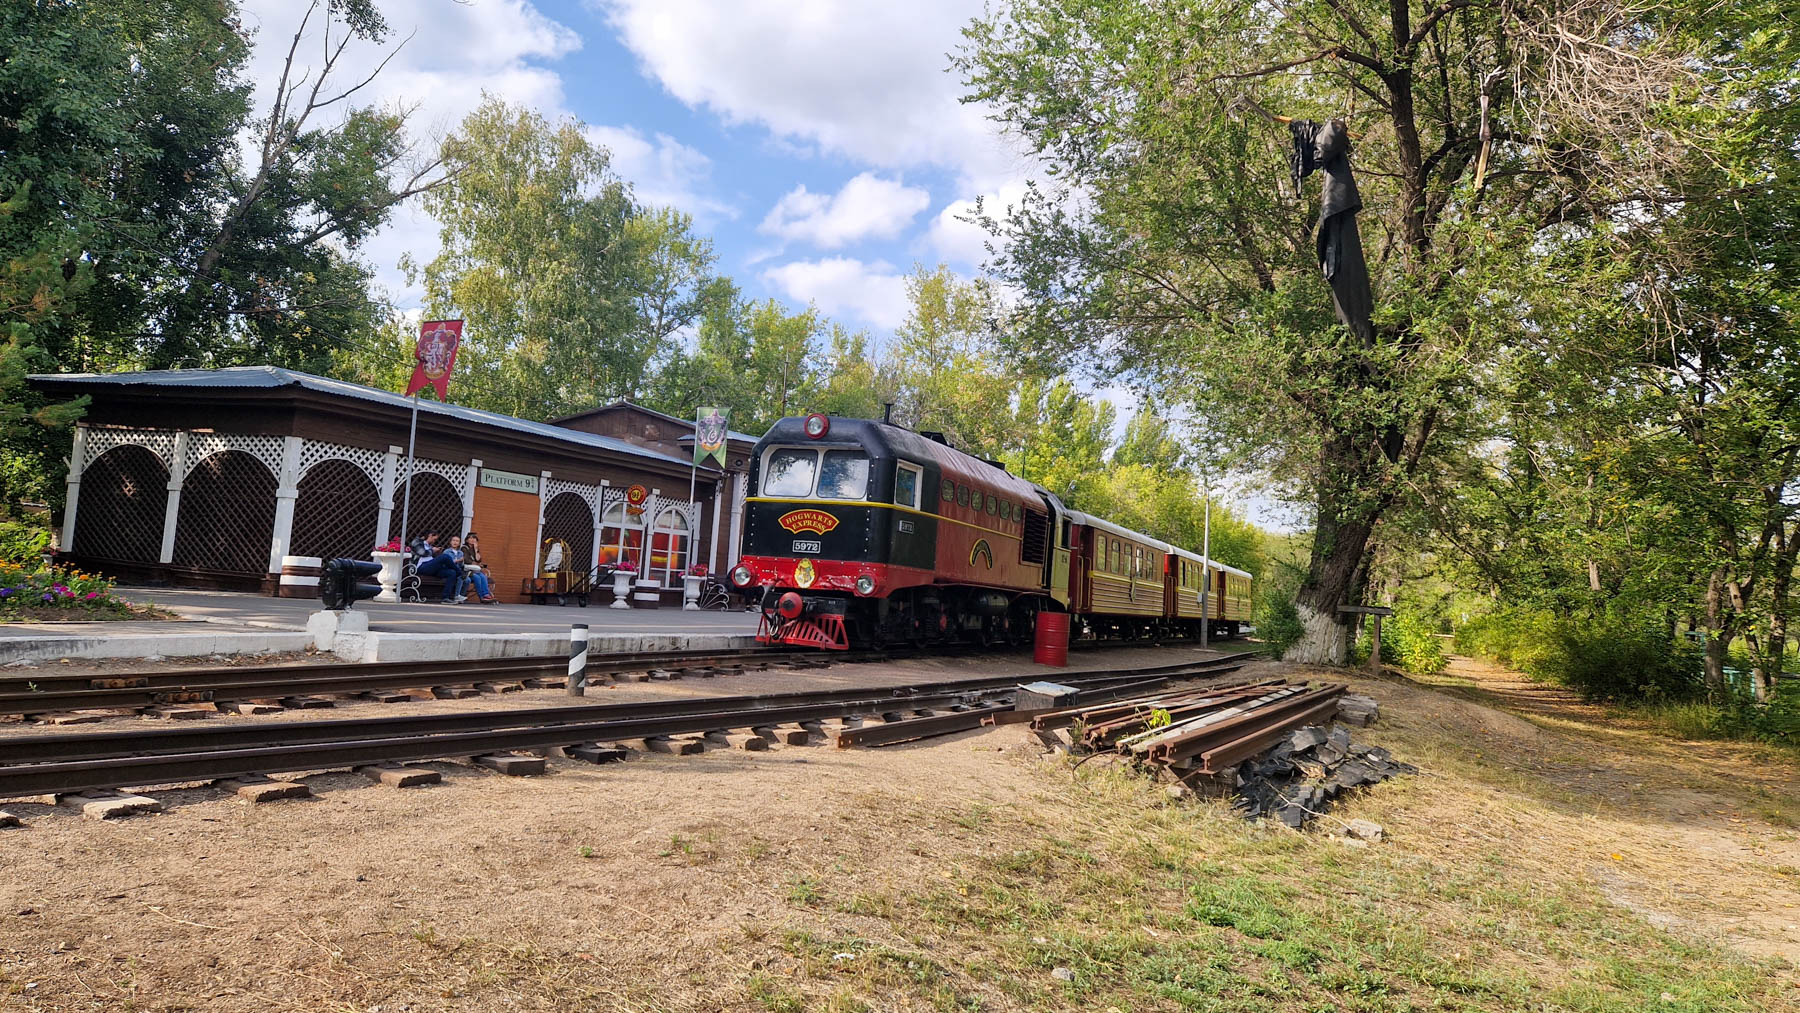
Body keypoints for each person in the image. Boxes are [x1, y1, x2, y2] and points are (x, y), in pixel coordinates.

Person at [410, 529, 465, 604]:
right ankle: (460, 573)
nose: (434, 541)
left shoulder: (430, 546)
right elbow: (422, 553)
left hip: (431, 568)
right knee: (445, 556)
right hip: (420, 567)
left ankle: (445, 598)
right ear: (430, 535)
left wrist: (436, 552)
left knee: (451, 572)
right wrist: (433, 550)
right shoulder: (417, 542)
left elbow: (431, 558)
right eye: (434, 539)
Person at [463, 532, 498, 604]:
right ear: (467, 540)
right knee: (477, 577)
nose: (472, 540)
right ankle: (481, 597)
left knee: (483, 576)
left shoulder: (474, 549)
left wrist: (476, 550)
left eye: (474, 538)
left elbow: (478, 560)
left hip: (475, 570)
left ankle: (486, 594)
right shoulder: (464, 548)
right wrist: (477, 564)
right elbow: (466, 560)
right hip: (467, 571)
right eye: (470, 538)